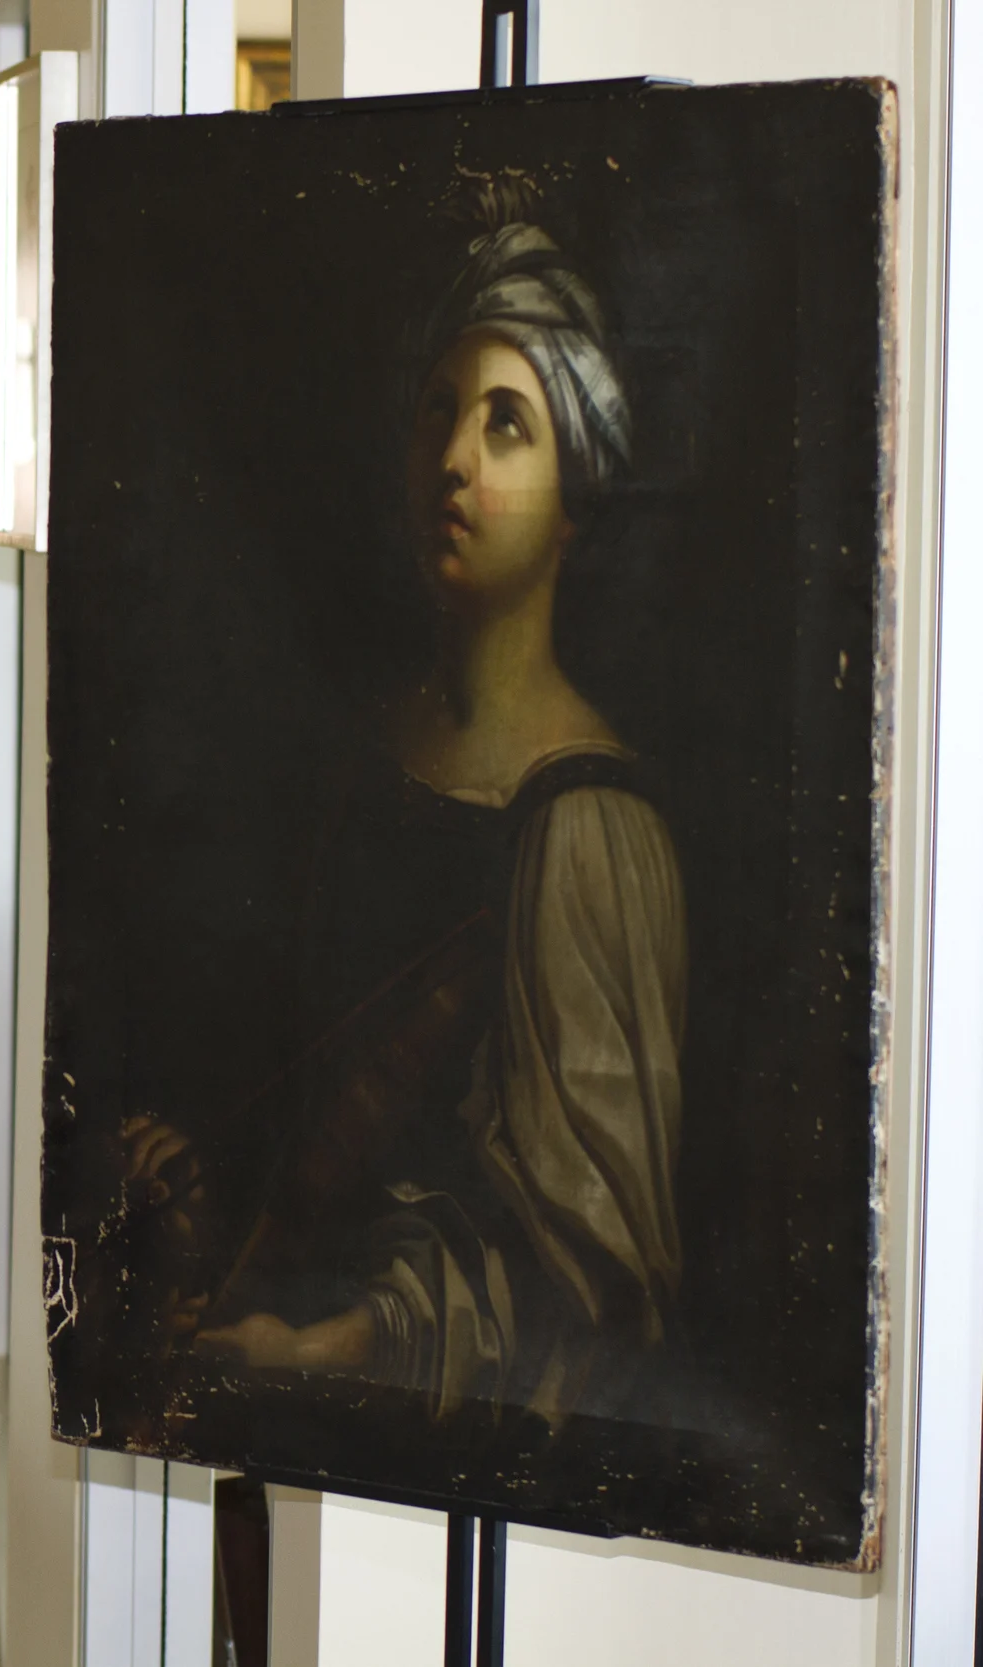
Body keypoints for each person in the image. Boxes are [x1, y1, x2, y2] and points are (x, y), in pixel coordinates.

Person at [130, 208, 687, 1429]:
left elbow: (584, 1269)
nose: (456, 458)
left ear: (576, 495)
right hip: (262, 1304)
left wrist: (333, 1345)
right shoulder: (364, 748)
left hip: (393, 1390)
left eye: (507, 423)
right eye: (440, 407)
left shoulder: (588, 823)